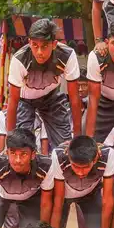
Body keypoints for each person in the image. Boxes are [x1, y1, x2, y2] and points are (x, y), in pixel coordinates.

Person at [6, 18, 82, 146]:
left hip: (51, 97)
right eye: (35, 46)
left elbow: (74, 99)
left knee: (65, 144)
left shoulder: (67, 55)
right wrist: (10, 139)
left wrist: (78, 137)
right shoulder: (19, 59)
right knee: (21, 145)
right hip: (24, 100)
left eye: (44, 46)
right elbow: (13, 102)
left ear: (54, 44)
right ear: (29, 42)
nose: (39, 52)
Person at [49, 135, 114, 228]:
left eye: (85, 167)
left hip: (90, 194)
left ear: (94, 160)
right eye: (75, 166)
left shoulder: (107, 155)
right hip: (62, 196)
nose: (80, 172)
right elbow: (58, 201)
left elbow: (107, 201)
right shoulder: (58, 155)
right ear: (69, 158)